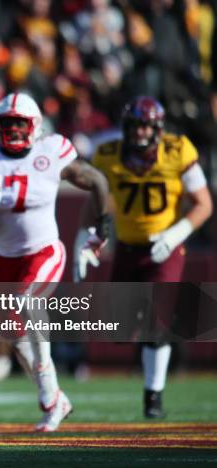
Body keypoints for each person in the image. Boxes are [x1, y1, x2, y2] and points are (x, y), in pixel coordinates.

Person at [0, 92, 110, 432]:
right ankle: (55, 398)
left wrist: (99, 230)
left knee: (27, 303)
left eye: (20, 124)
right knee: (11, 332)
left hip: (45, 250)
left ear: (34, 127)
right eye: (7, 124)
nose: (14, 130)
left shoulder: (52, 151)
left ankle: (49, 400)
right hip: (4, 256)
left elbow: (98, 181)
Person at [78, 96, 213, 419]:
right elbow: (96, 202)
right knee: (120, 330)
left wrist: (176, 234)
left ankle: (153, 396)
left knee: (157, 323)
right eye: (134, 126)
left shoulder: (178, 151)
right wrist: (84, 239)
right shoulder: (108, 155)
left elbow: (204, 204)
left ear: (158, 128)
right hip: (126, 246)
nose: (139, 133)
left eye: (145, 126)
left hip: (164, 248)